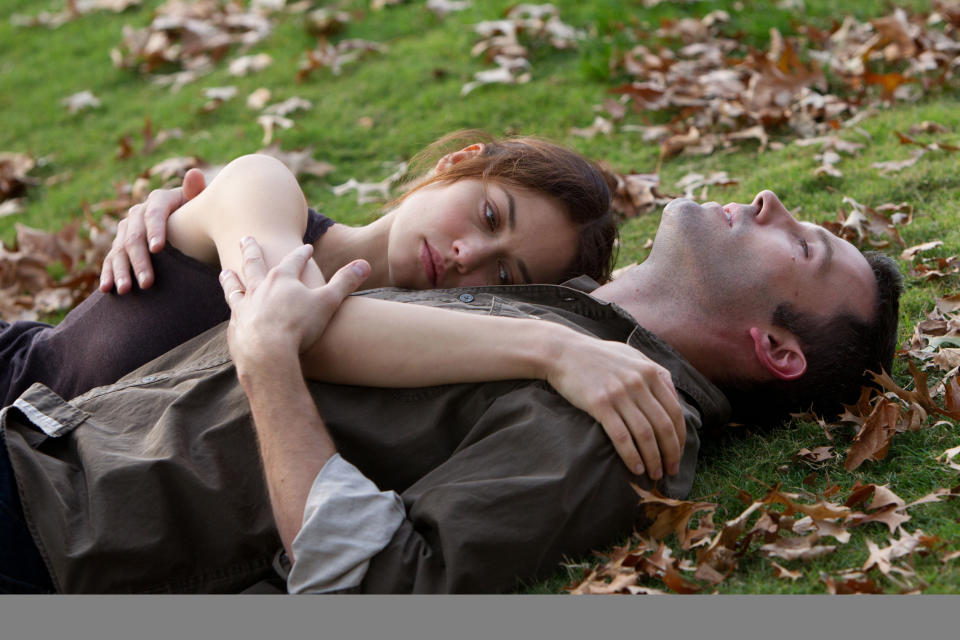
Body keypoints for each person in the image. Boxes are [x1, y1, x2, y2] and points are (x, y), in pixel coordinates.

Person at [0, 189, 903, 593]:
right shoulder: (553, 306)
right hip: (41, 422)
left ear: (777, 349)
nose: (773, 200)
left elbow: (373, 586)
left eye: (806, 245)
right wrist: (183, 210)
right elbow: (296, 224)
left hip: (53, 528)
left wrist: (269, 364)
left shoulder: (619, 425)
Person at [1, 132, 694, 477]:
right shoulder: (267, 188)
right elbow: (286, 316)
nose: (467, 259)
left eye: (505, 276)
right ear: (459, 162)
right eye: (487, 215)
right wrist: (557, 348)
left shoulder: (420, 349)